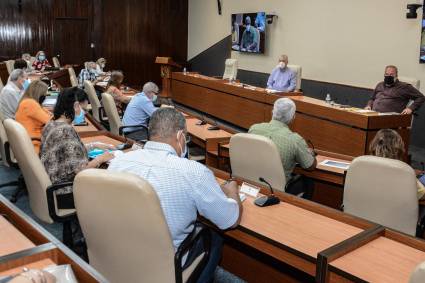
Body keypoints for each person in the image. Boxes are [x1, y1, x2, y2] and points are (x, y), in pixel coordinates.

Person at [108, 108, 242, 283]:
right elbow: (229, 220)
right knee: (214, 237)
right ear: (180, 136)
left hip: (119, 256)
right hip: (164, 269)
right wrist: (232, 192)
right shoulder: (193, 172)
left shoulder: (119, 162)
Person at [40, 87, 114, 209]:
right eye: (84, 109)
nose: (84, 113)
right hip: (66, 192)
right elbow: (81, 170)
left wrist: (93, 145)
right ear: (75, 105)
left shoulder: (52, 123)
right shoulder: (65, 131)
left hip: (54, 185)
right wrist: (101, 158)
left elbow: (66, 150)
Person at [248, 98, 316, 196]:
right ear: (293, 117)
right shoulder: (295, 140)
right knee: (308, 183)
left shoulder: (254, 129)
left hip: (252, 182)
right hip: (278, 190)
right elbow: (310, 166)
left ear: (272, 112)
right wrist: (311, 154)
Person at [369, 129, 425, 200]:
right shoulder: (405, 174)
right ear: (399, 149)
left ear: (373, 144)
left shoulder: (360, 166)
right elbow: (422, 194)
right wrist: (413, 177)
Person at [15, 81, 51, 154]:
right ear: (39, 93)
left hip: (29, 142)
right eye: (44, 94)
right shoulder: (30, 104)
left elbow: (46, 114)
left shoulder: (26, 101)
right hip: (35, 145)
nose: (45, 96)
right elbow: (50, 121)